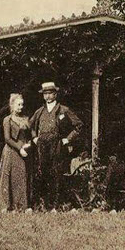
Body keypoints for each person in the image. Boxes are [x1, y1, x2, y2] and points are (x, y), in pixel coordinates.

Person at [29, 81, 83, 209]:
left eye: (50, 93)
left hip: (57, 144)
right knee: (42, 172)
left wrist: (67, 139)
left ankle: (56, 205)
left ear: (55, 94)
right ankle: (43, 204)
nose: (47, 96)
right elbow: (30, 126)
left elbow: (79, 125)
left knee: (56, 173)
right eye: (45, 94)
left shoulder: (63, 110)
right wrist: (35, 138)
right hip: (42, 144)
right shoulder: (40, 112)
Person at [0, 91, 33, 211]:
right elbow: (7, 138)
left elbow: (29, 135)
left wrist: (28, 144)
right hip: (11, 151)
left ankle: (21, 206)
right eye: (18, 105)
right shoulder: (7, 120)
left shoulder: (26, 119)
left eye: (22, 105)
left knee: (21, 177)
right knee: (10, 178)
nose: (21, 107)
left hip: (24, 152)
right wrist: (19, 148)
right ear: (12, 105)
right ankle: (7, 206)